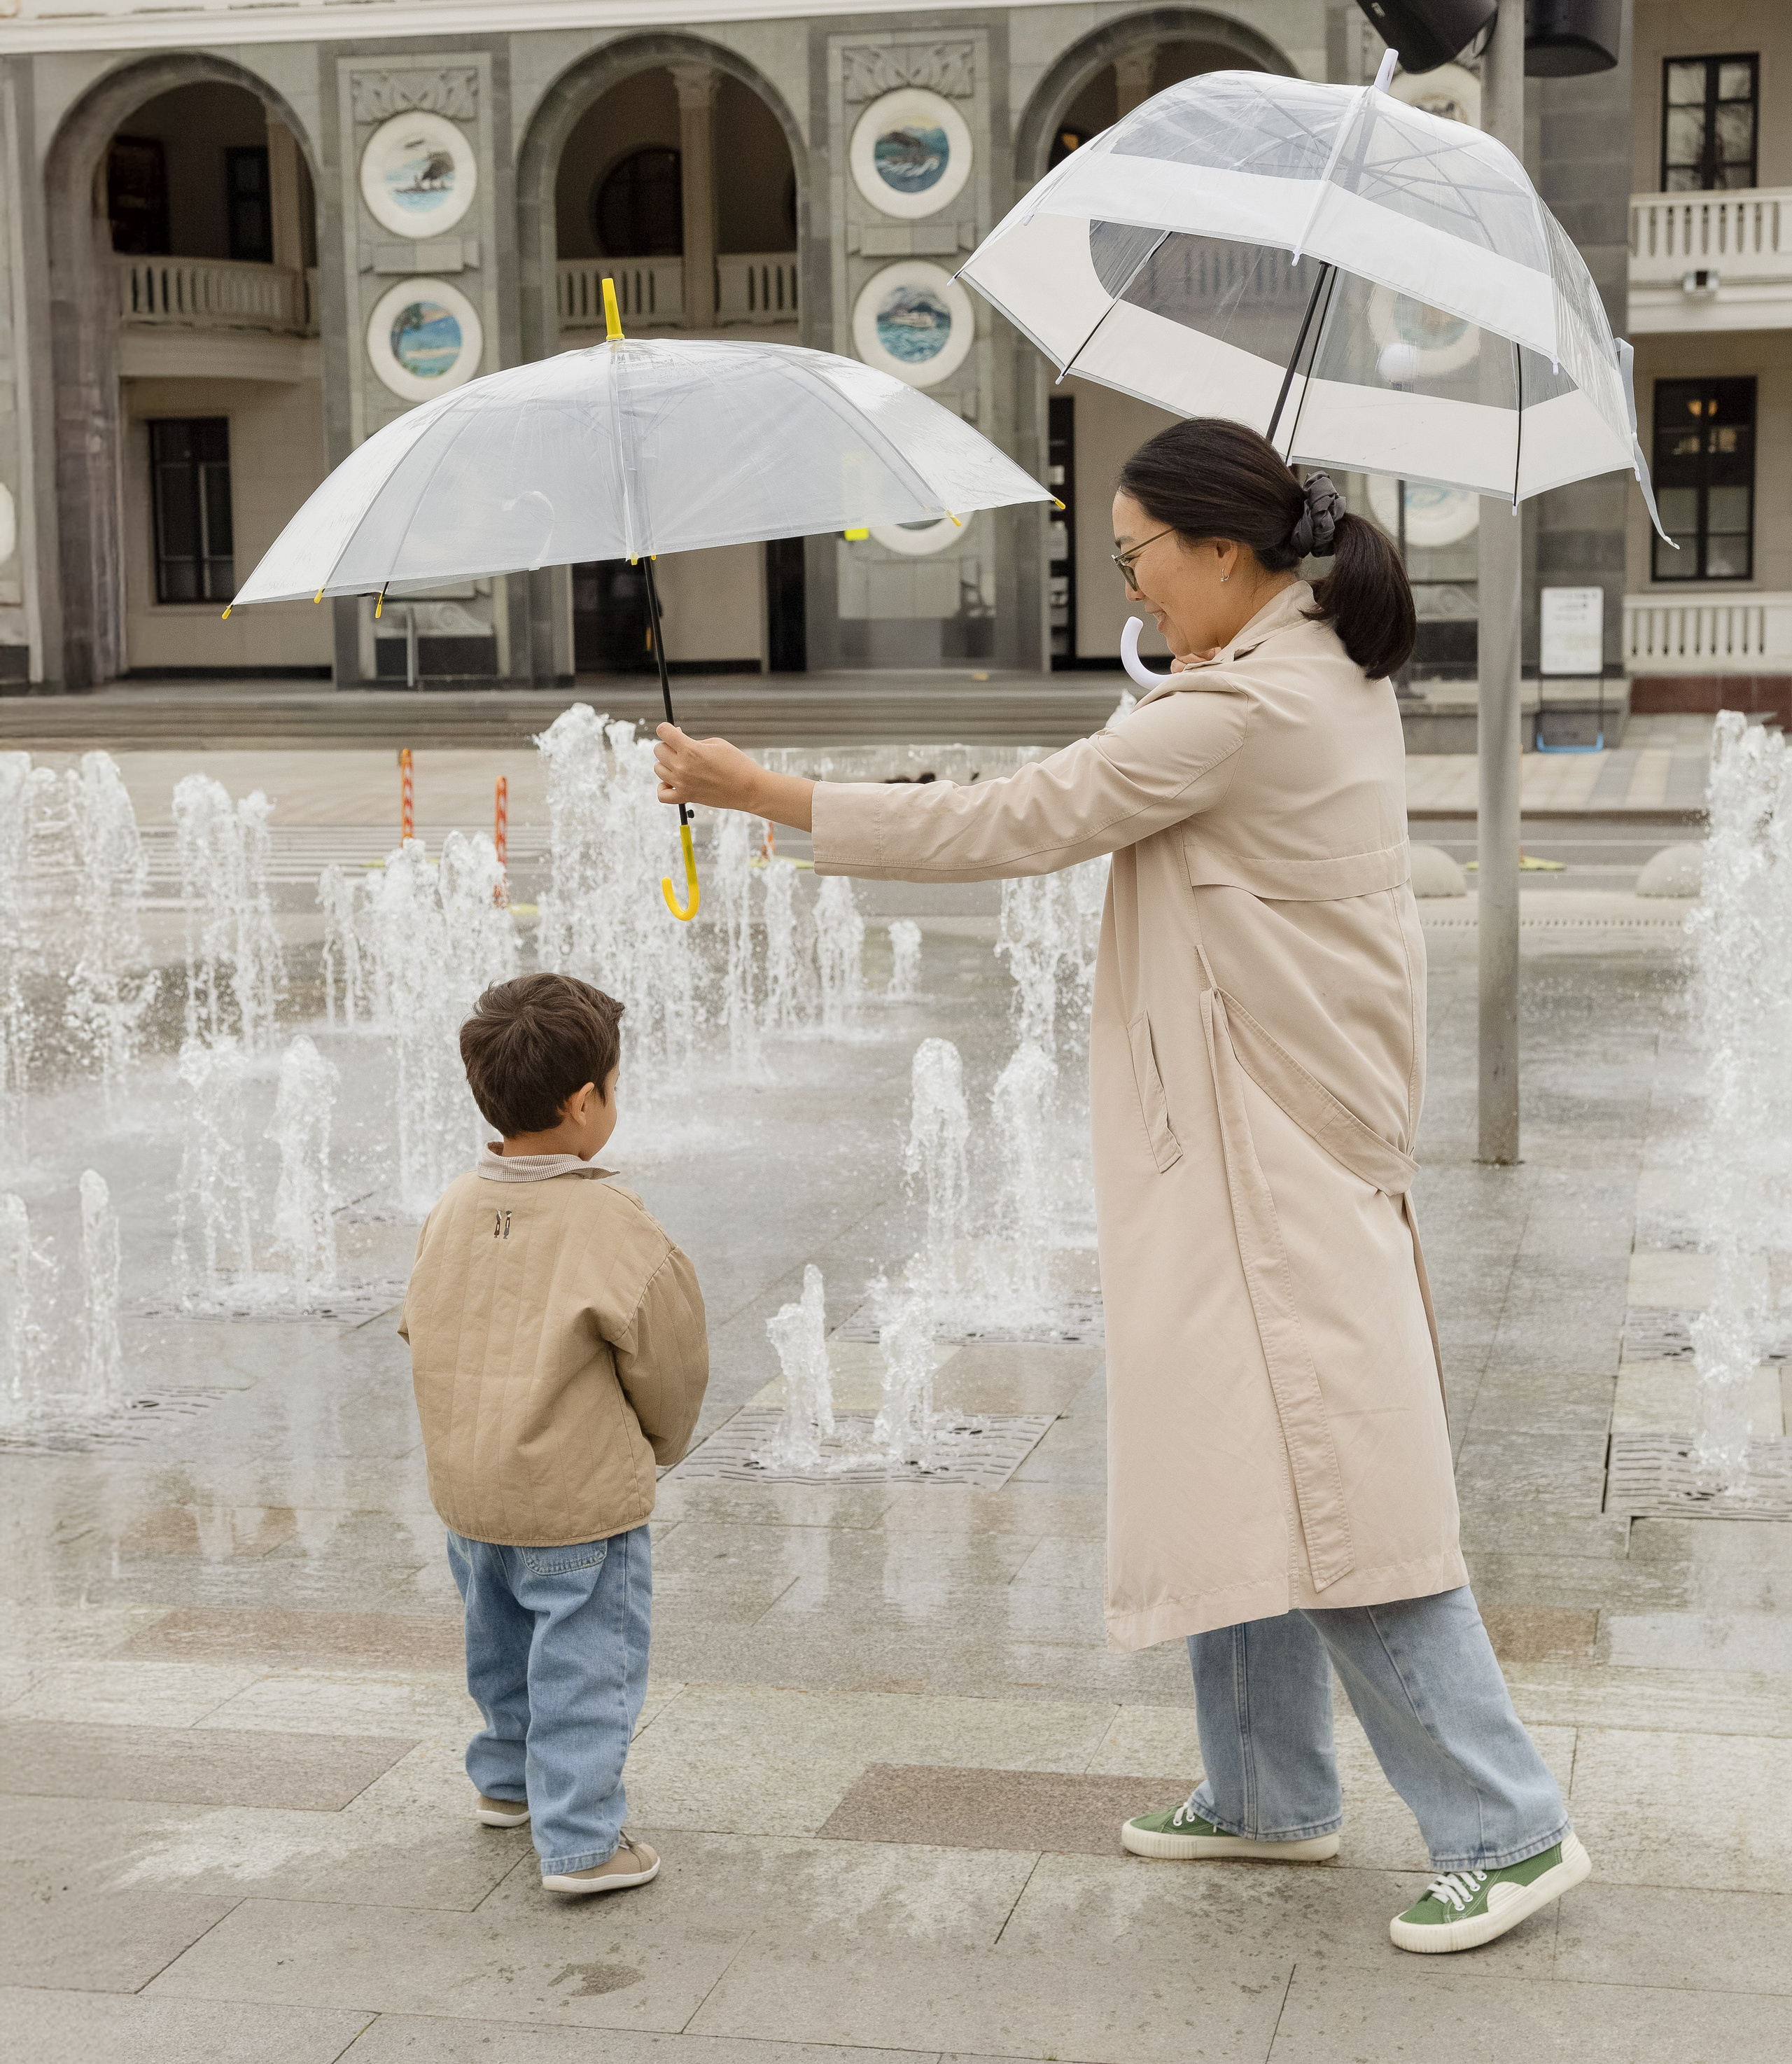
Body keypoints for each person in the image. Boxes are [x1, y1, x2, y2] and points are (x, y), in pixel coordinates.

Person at [653, 418, 1588, 1955]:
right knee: (1234, 1452)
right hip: (1244, 1133)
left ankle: (1508, 1826)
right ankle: (1267, 1791)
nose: (1130, 587)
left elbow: (1014, 819)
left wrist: (765, 790)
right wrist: (1173, 679)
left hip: (1267, 1151)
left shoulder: (1247, 706)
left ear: (1224, 552)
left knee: (1334, 1485)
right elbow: (1167, 747)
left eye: (1139, 556)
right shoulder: (1299, 671)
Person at [398, 971, 708, 1897]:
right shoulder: (608, 1217)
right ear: (585, 1102)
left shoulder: (454, 1203)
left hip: (471, 1490)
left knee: (496, 1641)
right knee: (584, 1661)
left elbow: (420, 1321)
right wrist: (658, 1443)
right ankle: (580, 1837)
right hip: (577, 1502)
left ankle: (505, 1781)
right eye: (614, 1086)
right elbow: (669, 1355)